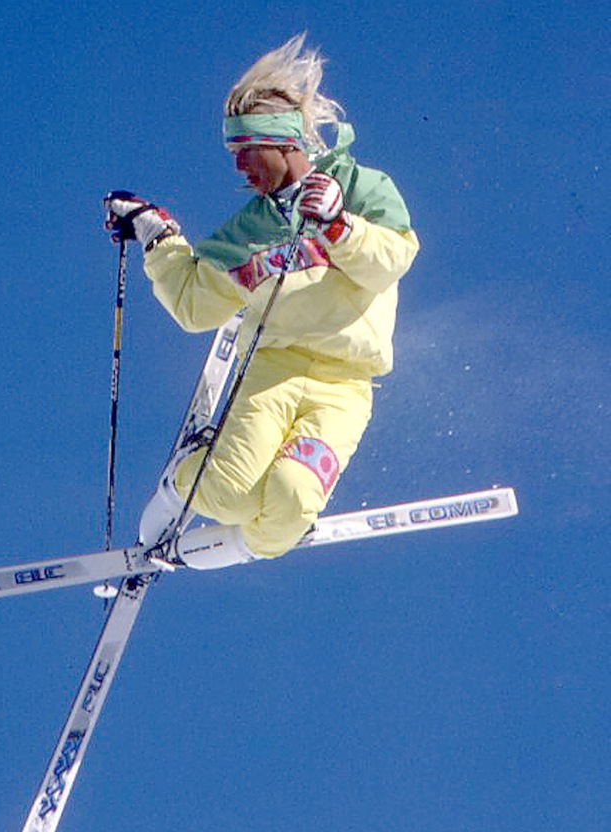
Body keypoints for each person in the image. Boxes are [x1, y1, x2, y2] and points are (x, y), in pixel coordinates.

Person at [103, 33, 419, 570]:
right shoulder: (249, 229)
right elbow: (194, 306)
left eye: (246, 152)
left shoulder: (361, 187)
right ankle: (184, 480)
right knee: (228, 493)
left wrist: (341, 225)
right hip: (272, 370)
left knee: (293, 496)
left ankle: (231, 548)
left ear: (281, 142)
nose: (239, 169)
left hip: (344, 383)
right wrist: (157, 235)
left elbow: (392, 260)